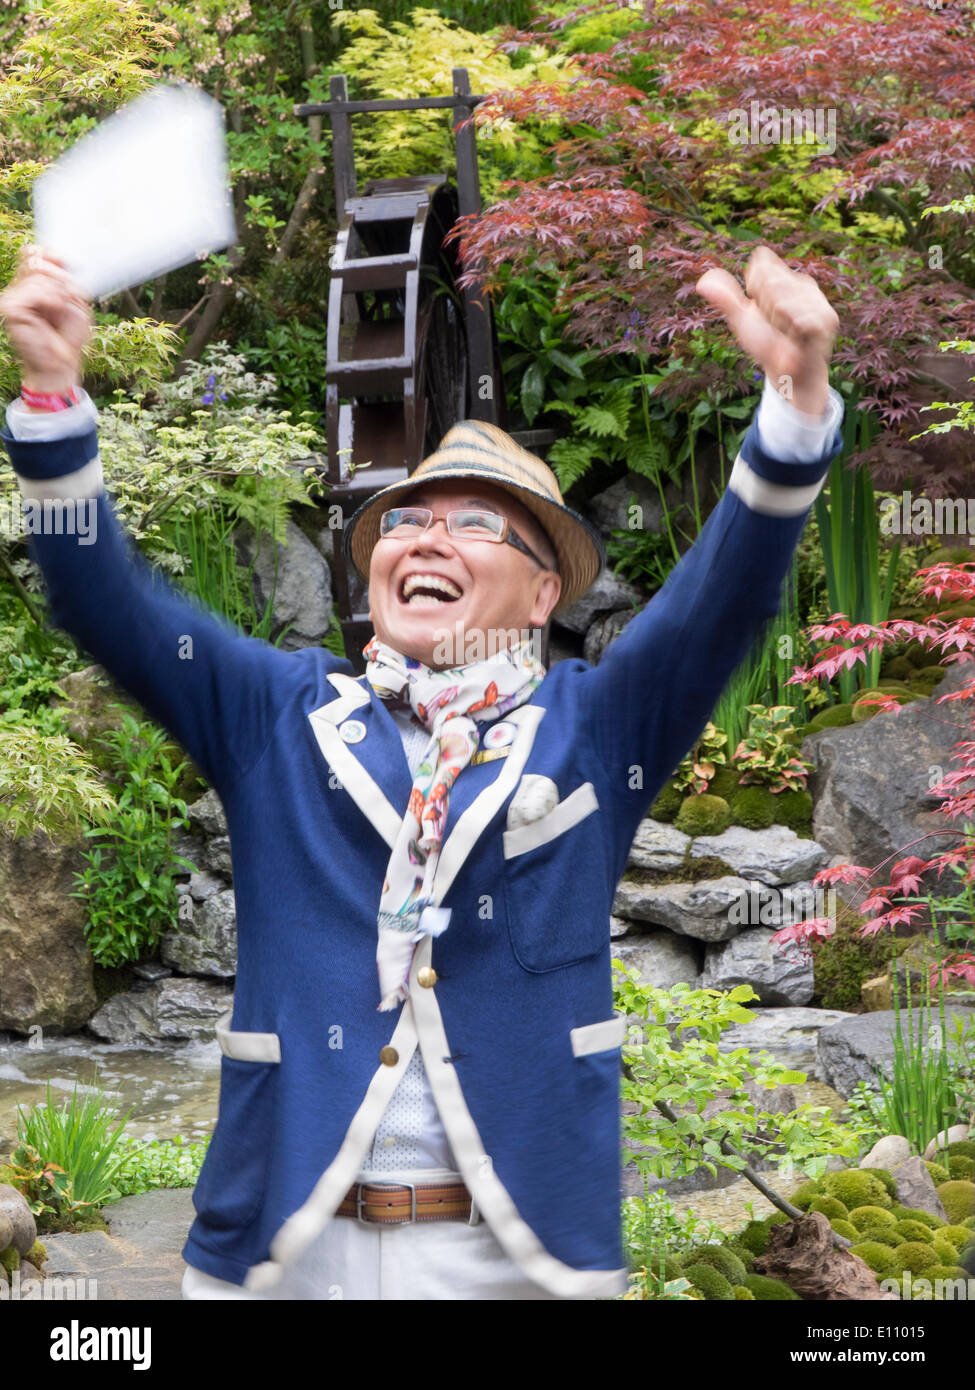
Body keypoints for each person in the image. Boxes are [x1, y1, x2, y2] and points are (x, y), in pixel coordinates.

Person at [0, 244, 843, 1300]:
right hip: (290, 1250)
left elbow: (719, 608)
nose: (425, 537)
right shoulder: (279, 716)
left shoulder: (595, 728)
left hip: (513, 1258)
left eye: (474, 521)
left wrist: (794, 401)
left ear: (544, 597)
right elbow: (109, 605)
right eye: (407, 518)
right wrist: (49, 397)